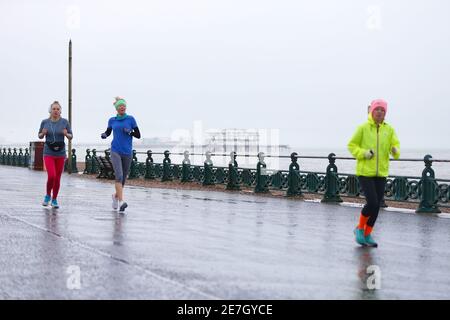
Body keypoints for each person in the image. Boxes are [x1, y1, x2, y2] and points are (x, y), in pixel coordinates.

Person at [348, 99, 400, 247]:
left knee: (377, 206)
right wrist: (364, 153)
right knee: (372, 202)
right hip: (365, 172)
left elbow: (395, 146)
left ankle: (367, 233)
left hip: (381, 173)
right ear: (372, 111)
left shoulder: (389, 130)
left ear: (385, 113)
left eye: (382, 110)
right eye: (377, 109)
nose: (380, 112)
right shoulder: (363, 128)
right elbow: (351, 145)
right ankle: (359, 228)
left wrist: (395, 151)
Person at [101, 97, 141, 213]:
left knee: (123, 179)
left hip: (127, 152)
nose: (122, 107)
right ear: (116, 108)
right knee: (118, 175)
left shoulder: (131, 119)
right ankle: (121, 201)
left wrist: (130, 132)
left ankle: (115, 196)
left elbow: (138, 135)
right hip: (115, 150)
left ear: (125, 107)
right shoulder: (112, 120)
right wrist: (104, 134)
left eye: (123, 106)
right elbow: (108, 132)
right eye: (120, 106)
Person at [38, 101, 73, 209]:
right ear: (50, 110)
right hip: (48, 152)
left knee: (57, 178)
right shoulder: (45, 122)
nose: (56, 111)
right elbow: (39, 136)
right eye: (54, 109)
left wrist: (66, 134)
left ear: (60, 110)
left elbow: (71, 136)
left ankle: (54, 199)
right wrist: (43, 133)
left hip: (61, 153)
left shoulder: (65, 122)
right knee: (51, 175)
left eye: (58, 109)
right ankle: (48, 195)